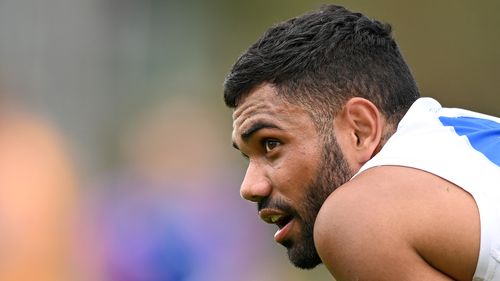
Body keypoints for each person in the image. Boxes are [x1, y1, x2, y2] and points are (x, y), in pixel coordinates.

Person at [223, 4, 500, 281]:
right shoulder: (472, 139)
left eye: (271, 144)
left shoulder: (359, 217)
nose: (249, 188)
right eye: (248, 158)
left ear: (360, 130)